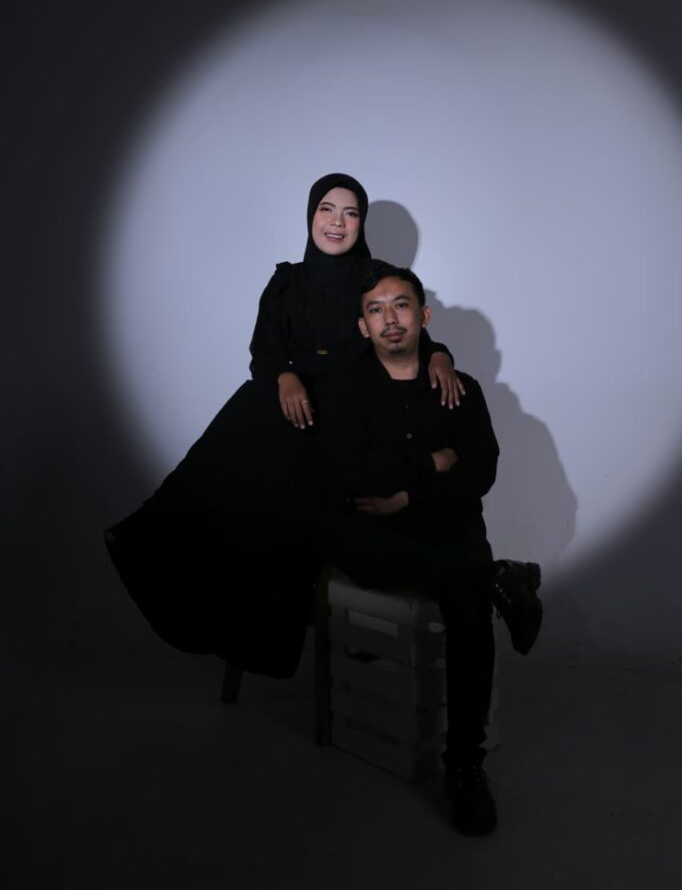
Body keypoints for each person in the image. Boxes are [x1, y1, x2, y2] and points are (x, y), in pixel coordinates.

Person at [105, 174, 461, 678]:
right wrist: (286, 376)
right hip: (293, 412)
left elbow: (403, 329)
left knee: (258, 422)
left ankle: (154, 537)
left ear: (361, 224)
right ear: (310, 215)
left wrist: (440, 355)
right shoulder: (287, 282)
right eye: (326, 209)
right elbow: (265, 350)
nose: (337, 222)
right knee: (256, 411)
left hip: (349, 418)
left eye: (351, 213)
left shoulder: (374, 277)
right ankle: (163, 552)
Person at [314, 261, 543, 836]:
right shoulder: (344, 389)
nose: (390, 319)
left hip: (446, 529)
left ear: (424, 316)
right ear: (363, 326)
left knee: (467, 603)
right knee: (466, 577)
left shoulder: (460, 389)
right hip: (374, 539)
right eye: (376, 310)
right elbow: (350, 474)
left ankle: (464, 766)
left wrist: (409, 492)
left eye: (401, 305)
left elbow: (480, 471)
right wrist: (432, 465)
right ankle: (499, 577)